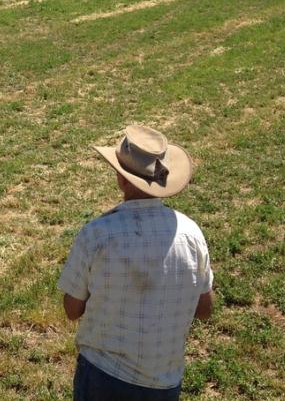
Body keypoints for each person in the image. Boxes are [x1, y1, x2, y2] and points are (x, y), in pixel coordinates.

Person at [57, 125, 214, 401]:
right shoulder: (192, 235)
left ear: (122, 177)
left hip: (104, 377)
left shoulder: (97, 233)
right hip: (164, 381)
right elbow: (204, 308)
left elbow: (72, 309)